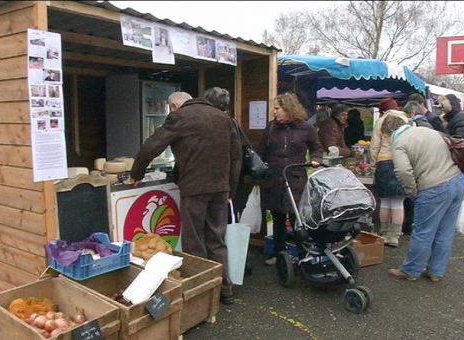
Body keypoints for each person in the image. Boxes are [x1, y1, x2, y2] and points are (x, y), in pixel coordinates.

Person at [130, 91, 242, 305]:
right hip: (220, 188)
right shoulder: (223, 117)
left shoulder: (180, 117)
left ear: (173, 106)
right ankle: (225, 291)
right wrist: (230, 190)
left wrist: (137, 174)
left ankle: (200, 296)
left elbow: (150, 147)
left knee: (195, 243)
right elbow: (236, 156)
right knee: (217, 241)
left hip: (194, 188)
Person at [383, 115, 464, 282]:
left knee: (423, 231)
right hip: (458, 181)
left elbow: (403, 172)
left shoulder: (400, 143)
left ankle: (410, 270)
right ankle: (436, 272)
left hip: (434, 187)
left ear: (389, 132)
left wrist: (413, 191)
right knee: (445, 230)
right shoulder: (430, 131)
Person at [257, 93, 322, 266]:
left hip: (296, 179)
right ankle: (279, 255)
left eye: (277, 108)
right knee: (278, 219)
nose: (274, 111)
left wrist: (316, 159)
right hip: (275, 180)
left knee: (297, 220)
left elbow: (316, 148)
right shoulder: (271, 127)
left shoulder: (306, 128)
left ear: (288, 108)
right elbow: (261, 151)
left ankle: (303, 256)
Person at [369, 98, 408, 247]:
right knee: (398, 202)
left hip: (384, 161)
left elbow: (374, 145)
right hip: (401, 161)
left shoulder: (381, 121)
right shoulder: (407, 120)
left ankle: (383, 233)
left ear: (383, 110)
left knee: (385, 201)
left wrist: (374, 164)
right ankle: (395, 236)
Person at [204, 87, 247, 217]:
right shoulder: (231, 121)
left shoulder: (215, 122)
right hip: (227, 183)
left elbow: (235, 157)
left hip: (218, 183)